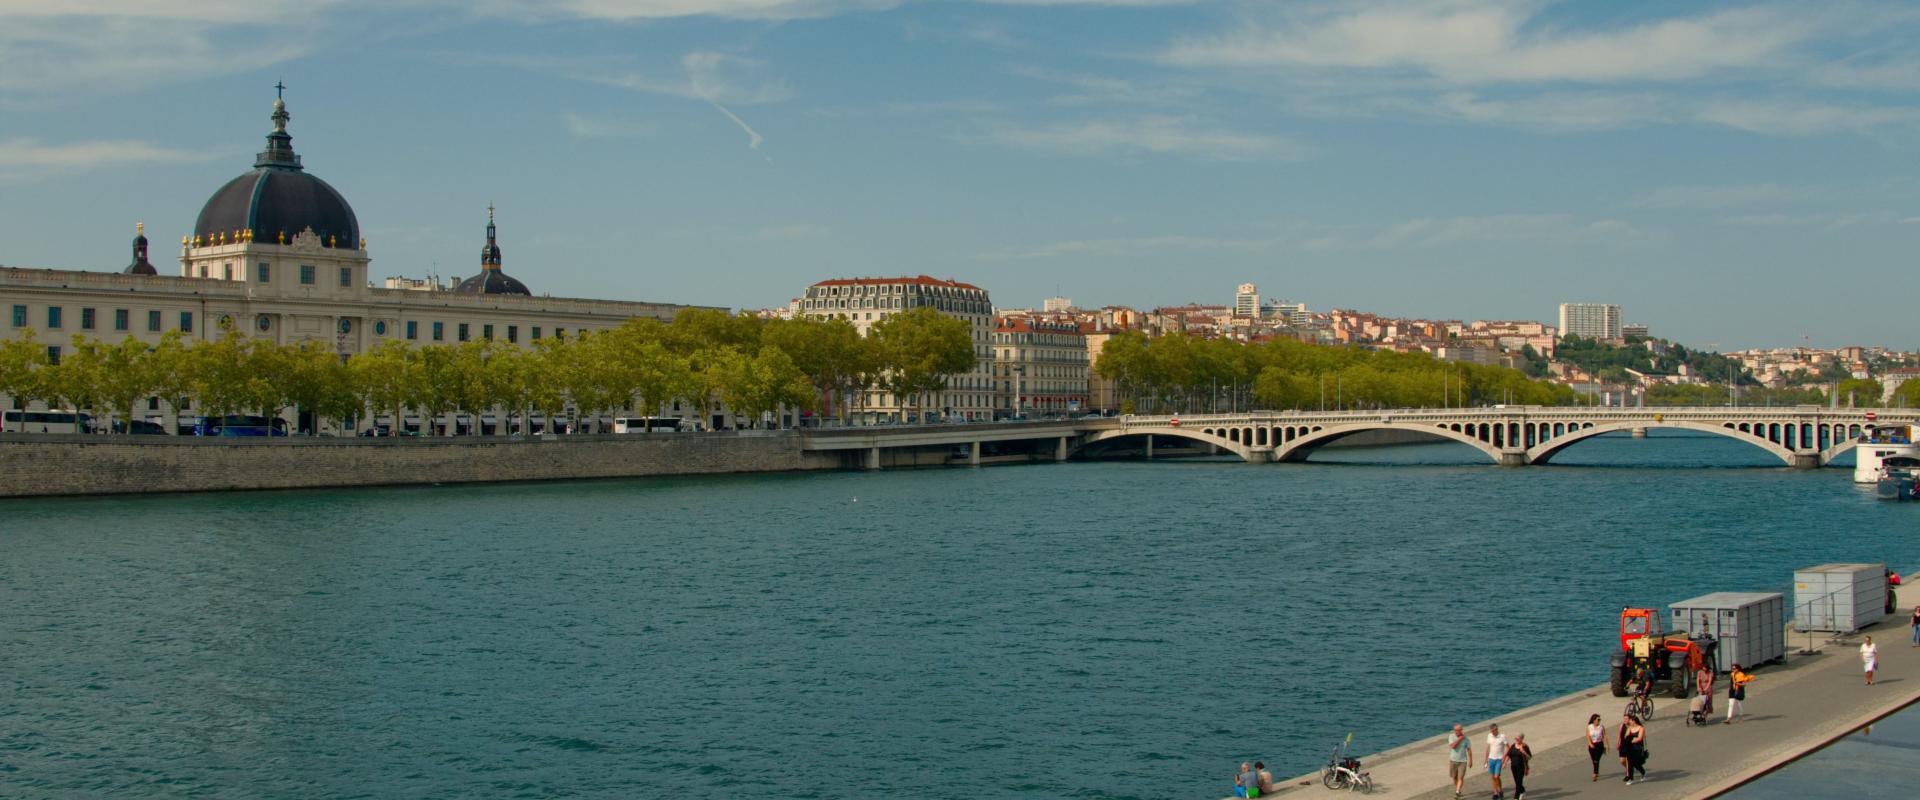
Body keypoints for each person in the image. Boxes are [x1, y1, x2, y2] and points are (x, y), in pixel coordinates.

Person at [1447, 723, 1474, 799]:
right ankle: (1458, 789)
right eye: (1455, 730)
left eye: (1458, 730)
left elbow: (1469, 750)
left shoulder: (1466, 739)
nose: (1457, 731)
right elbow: (1453, 746)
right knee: (1454, 777)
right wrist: (1459, 739)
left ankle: (1457, 791)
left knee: (1460, 777)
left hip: (1463, 761)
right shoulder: (1451, 736)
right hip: (1453, 760)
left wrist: (1471, 761)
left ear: (1461, 730)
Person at [1485, 723, 1510, 800]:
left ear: (1496, 729)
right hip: (1491, 759)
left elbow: (1508, 748)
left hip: (1499, 759)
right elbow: (1488, 748)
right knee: (1493, 777)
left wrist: (1505, 759)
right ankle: (1495, 792)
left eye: (1493, 730)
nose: (1492, 732)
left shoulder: (1502, 736)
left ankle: (1500, 790)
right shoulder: (1489, 736)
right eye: (1491, 730)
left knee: (1496, 776)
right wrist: (1486, 760)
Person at [1622, 714, 1648, 784]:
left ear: (1634, 721)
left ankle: (1643, 772)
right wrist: (1631, 739)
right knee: (1630, 763)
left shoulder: (1641, 728)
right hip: (1630, 748)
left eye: (1630, 720)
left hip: (1638, 748)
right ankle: (1631, 778)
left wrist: (1631, 740)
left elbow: (1639, 738)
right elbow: (1626, 737)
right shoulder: (1629, 728)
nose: (1629, 722)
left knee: (1636, 764)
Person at [1506, 734, 1532, 800]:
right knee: (1517, 782)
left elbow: (1529, 757)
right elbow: (1509, 755)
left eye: (1517, 739)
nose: (1516, 740)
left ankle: (1516, 798)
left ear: (1521, 739)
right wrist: (1505, 763)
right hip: (1513, 767)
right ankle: (1522, 791)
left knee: (1518, 783)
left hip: (1521, 767)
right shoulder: (1513, 746)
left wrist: (1524, 752)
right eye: (1516, 738)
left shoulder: (1525, 746)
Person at [1585, 713, 1608, 782]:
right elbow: (1588, 736)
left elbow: (1605, 736)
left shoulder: (1601, 727)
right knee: (1594, 760)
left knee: (1596, 760)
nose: (1599, 721)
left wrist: (1607, 745)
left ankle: (1595, 774)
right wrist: (1590, 743)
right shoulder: (1589, 727)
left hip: (1599, 745)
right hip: (1592, 745)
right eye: (1598, 719)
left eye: (1600, 719)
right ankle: (1597, 771)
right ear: (1594, 720)